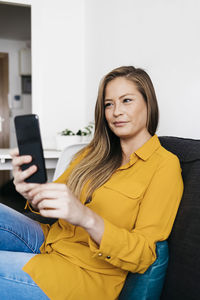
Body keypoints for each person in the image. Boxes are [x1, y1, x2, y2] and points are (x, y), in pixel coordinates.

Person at [0, 66, 183, 300]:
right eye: (109, 104)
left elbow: (144, 255)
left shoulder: (164, 166)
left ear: (149, 103)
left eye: (126, 100)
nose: (116, 111)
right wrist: (30, 192)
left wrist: (86, 217)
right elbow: (49, 203)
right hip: (50, 241)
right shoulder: (92, 153)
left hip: (86, 272)